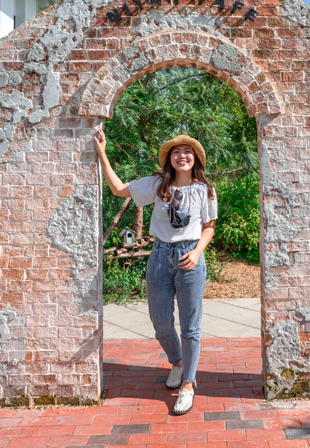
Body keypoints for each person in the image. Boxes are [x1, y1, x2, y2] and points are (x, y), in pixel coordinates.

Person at [93, 130, 217, 415]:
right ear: (169, 158)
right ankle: (178, 362)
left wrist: (196, 253)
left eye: (187, 152)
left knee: (191, 326)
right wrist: (102, 154)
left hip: (190, 256)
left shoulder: (205, 189)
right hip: (160, 255)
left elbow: (209, 227)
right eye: (176, 152)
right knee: (160, 322)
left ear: (195, 158)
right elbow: (118, 189)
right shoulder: (158, 184)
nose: (182, 156)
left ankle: (188, 385)